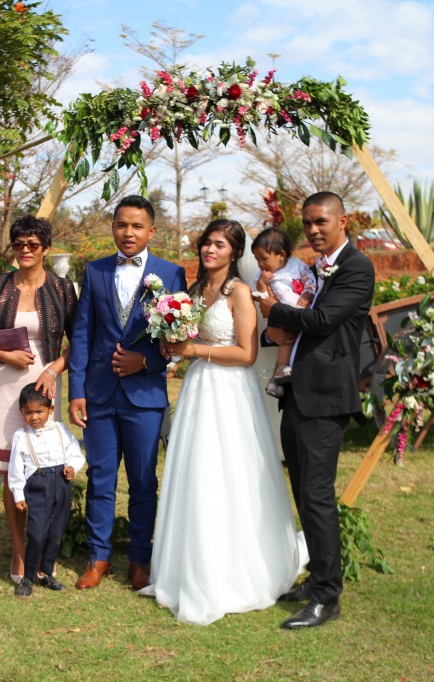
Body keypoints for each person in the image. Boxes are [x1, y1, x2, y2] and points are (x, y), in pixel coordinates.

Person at [136, 219, 303, 625]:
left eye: (220, 245)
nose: (210, 250)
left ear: (235, 253)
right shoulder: (194, 291)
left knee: (228, 473)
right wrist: (173, 345)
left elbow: (246, 354)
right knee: (195, 473)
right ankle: (187, 568)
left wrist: (193, 348)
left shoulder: (240, 292)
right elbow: (188, 343)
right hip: (198, 389)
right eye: (207, 243)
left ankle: (235, 572)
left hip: (230, 393)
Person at [260, 191, 376, 629]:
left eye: (321, 221)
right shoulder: (314, 269)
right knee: (303, 492)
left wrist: (276, 309)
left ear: (342, 221)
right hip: (299, 392)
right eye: (307, 223)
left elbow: (323, 321)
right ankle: (317, 577)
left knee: (317, 495)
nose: (312, 230)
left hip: (327, 397)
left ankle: (328, 597)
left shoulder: (356, 268)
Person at [67, 195, 186, 591]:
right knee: (101, 477)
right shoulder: (96, 271)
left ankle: (139, 558)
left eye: (137, 226)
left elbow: (176, 339)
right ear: (113, 227)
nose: (128, 232)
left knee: (142, 480)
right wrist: (76, 390)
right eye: (121, 225)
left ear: (152, 231)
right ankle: (98, 558)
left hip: (145, 395)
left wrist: (147, 363)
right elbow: (82, 332)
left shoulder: (171, 274)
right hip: (99, 393)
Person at [0, 215, 77, 586]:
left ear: (45, 248)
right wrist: (5, 356)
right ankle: (19, 551)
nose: (25, 251)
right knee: (13, 473)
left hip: (43, 386)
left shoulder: (63, 289)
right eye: (19, 244)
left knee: (46, 470)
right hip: (3, 384)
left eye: (33, 244)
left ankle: (45, 550)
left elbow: (77, 344)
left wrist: (52, 370)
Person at [8, 383, 85, 599]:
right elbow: (15, 469)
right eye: (28, 413)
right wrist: (19, 495)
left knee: (56, 532)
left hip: (61, 483)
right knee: (36, 533)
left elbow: (76, 454)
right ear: (22, 412)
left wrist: (72, 468)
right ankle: (28, 577)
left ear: (50, 410)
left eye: (39, 412)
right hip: (38, 485)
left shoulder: (60, 429)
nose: (34, 417)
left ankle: (47, 572)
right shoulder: (21, 436)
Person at [250, 228, 316, 398]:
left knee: (292, 341)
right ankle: (280, 372)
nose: (260, 264)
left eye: (264, 258)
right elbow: (262, 299)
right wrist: (262, 284)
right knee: (286, 340)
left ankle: (276, 378)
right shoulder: (262, 276)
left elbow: (309, 279)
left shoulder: (297, 265)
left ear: (281, 254)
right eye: (257, 259)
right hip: (277, 316)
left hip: (299, 309)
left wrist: (307, 293)